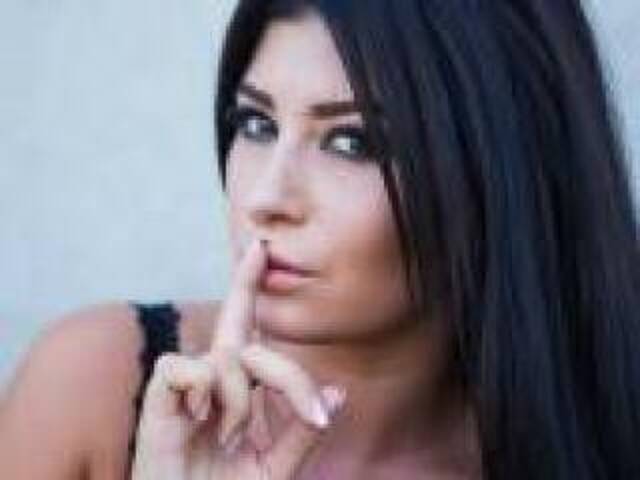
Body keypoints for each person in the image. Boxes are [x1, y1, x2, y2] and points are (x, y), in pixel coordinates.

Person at [1, 0, 639, 478]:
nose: (266, 198)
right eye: (256, 123)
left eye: (353, 142)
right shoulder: (98, 387)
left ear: (501, 171)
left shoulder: (601, 443)